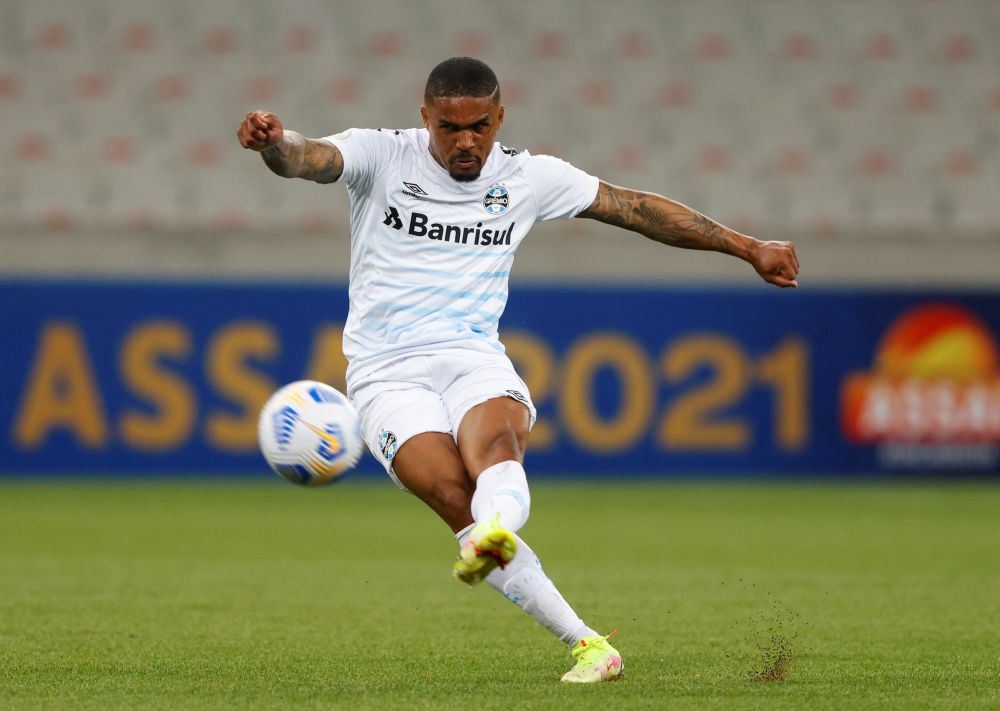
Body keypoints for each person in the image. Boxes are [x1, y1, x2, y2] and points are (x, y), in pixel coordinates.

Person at [237, 57, 799, 683]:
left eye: (480, 125)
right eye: (450, 127)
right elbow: (309, 158)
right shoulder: (380, 156)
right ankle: (590, 645)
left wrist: (749, 247)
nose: (466, 140)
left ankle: (495, 531)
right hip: (384, 373)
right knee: (454, 496)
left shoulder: (528, 177)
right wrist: (274, 142)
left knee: (496, 449)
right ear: (425, 118)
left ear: (500, 117)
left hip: (473, 355)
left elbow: (633, 207)